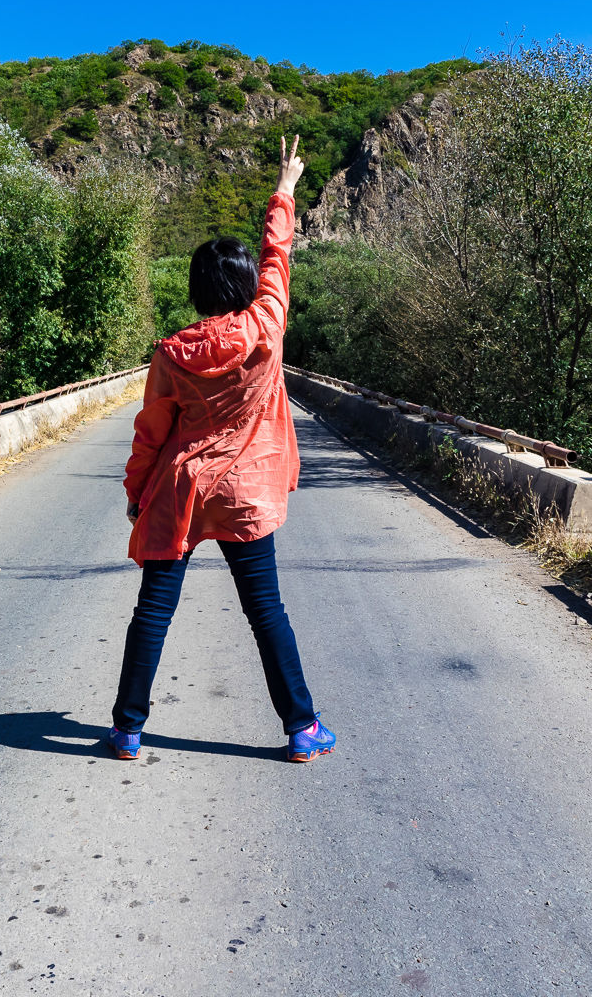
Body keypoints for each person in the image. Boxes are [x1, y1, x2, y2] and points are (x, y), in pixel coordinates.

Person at [110, 135, 335, 765]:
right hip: (246, 494)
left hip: (181, 493)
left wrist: (136, 495)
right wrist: (284, 191)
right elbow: (277, 260)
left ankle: (128, 729)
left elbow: (150, 434)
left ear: (195, 292)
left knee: (154, 609)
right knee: (266, 610)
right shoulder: (266, 327)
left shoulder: (170, 354)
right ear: (241, 288)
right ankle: (301, 729)